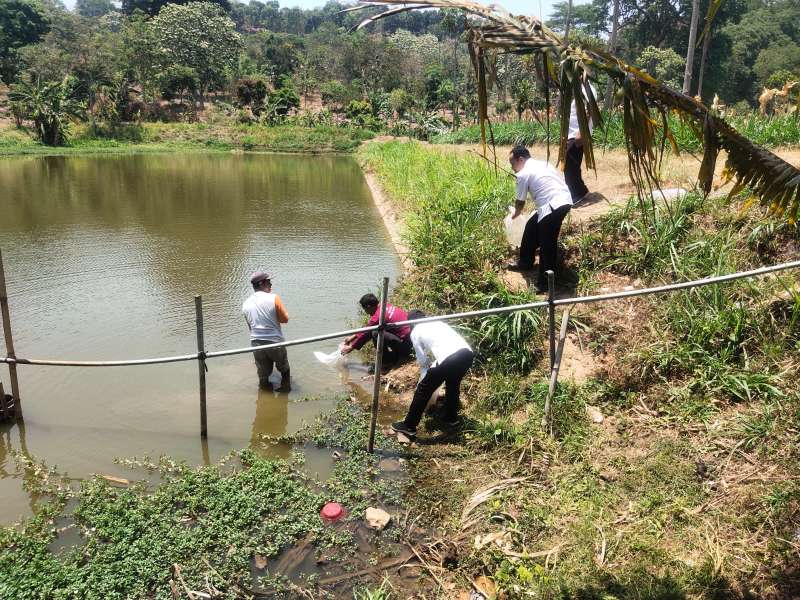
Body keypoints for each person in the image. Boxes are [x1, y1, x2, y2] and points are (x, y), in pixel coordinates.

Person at [391, 311, 474, 439]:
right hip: (467, 354)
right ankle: (451, 418)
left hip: (450, 357)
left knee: (423, 390)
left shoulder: (416, 331)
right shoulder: (438, 322)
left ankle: (409, 426)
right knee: (453, 384)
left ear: (412, 323)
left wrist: (427, 371)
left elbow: (422, 360)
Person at [507, 145, 573, 292]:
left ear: (521, 159)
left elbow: (520, 202)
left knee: (547, 244)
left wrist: (515, 214)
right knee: (532, 227)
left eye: (513, 164)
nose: (512, 168)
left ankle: (545, 283)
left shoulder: (523, 173)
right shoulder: (544, 164)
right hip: (564, 200)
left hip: (551, 206)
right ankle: (525, 262)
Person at [242, 271, 291, 391]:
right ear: (262, 283)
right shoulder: (274, 298)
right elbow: (285, 319)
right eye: (269, 282)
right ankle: (285, 389)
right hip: (274, 341)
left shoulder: (245, 303)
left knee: (263, 374)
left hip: (256, 343)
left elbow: (250, 327)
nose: (271, 284)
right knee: (284, 368)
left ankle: (264, 393)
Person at [341, 293, 412, 369]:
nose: (366, 312)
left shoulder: (378, 317)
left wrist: (351, 347)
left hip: (407, 346)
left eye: (365, 310)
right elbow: (367, 328)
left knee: (375, 333)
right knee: (374, 330)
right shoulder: (385, 306)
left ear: (368, 307)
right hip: (410, 340)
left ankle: (386, 362)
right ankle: (394, 356)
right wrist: (352, 338)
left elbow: (365, 333)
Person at [565, 83, 596, 203]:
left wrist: (582, 132)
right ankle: (581, 191)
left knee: (570, 166)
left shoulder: (587, 89)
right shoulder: (580, 89)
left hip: (577, 134)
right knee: (571, 165)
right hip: (572, 133)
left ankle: (577, 194)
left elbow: (590, 109)